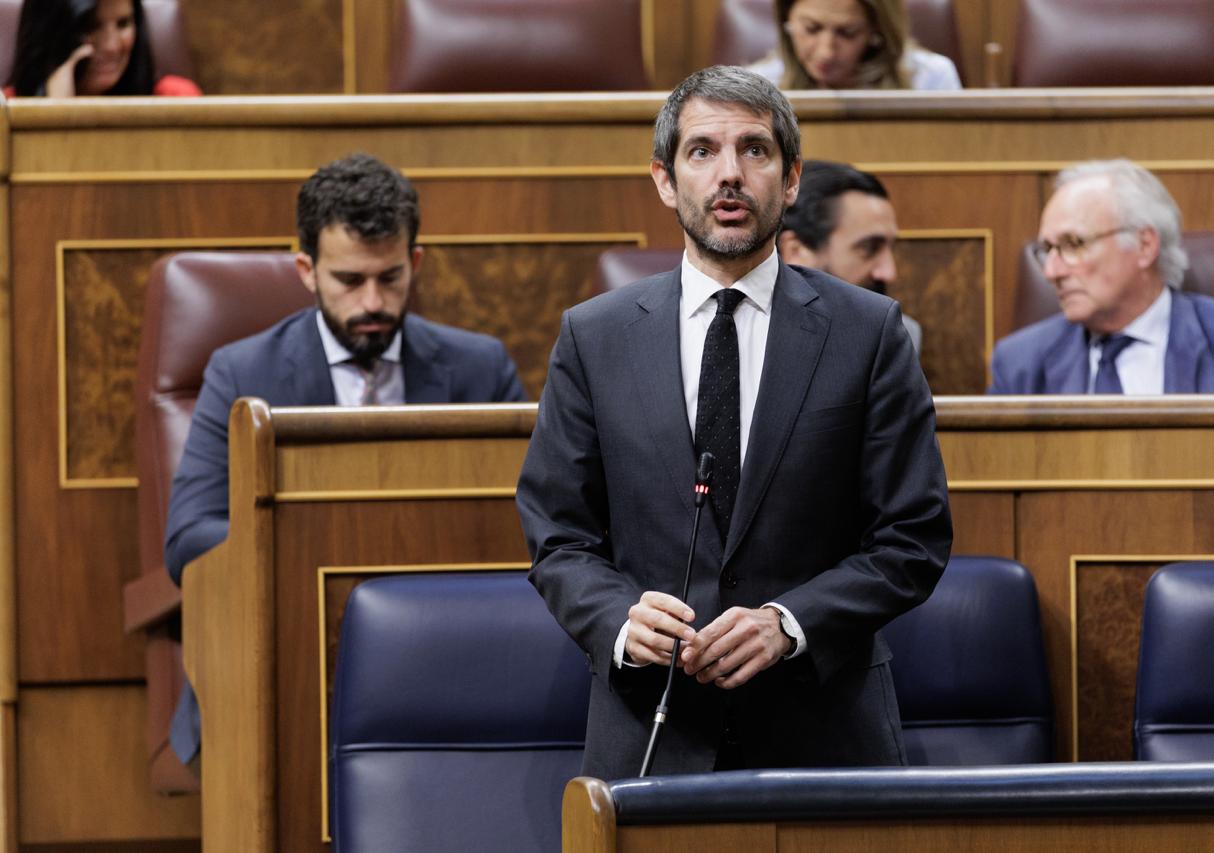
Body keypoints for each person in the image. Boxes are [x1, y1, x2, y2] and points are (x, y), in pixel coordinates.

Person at [517, 66, 951, 780]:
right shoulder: (595, 336)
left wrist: (789, 622)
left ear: (791, 179)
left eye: (754, 149)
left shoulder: (869, 332)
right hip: (652, 736)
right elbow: (558, 533)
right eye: (702, 151)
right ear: (664, 180)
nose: (729, 175)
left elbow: (912, 537)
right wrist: (621, 620)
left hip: (822, 737)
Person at [164, 152, 526, 763]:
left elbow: (537, 519)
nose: (372, 302)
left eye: (389, 277)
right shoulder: (242, 373)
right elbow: (189, 541)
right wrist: (322, 543)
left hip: (449, 651)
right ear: (306, 269)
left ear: (415, 261)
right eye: (349, 281)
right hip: (287, 654)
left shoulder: (478, 368)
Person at [990, 159, 1214, 394]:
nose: (1051, 272)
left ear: (1144, 245)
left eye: (1074, 244)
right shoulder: (1019, 366)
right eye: (1048, 249)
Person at [778, 159, 922, 352]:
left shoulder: (898, 337)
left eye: (890, 247)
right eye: (869, 248)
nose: (889, 273)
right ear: (796, 251)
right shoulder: (746, 335)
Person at [748, 0, 960, 91]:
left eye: (847, 33)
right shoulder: (757, 85)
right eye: (811, 29)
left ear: (876, 30)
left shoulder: (931, 77)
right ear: (787, 19)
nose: (826, 52)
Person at [4, 0, 202, 97]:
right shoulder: (6, 111)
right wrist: (56, 114)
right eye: (90, 27)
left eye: (123, 24)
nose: (111, 46)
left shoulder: (174, 97)